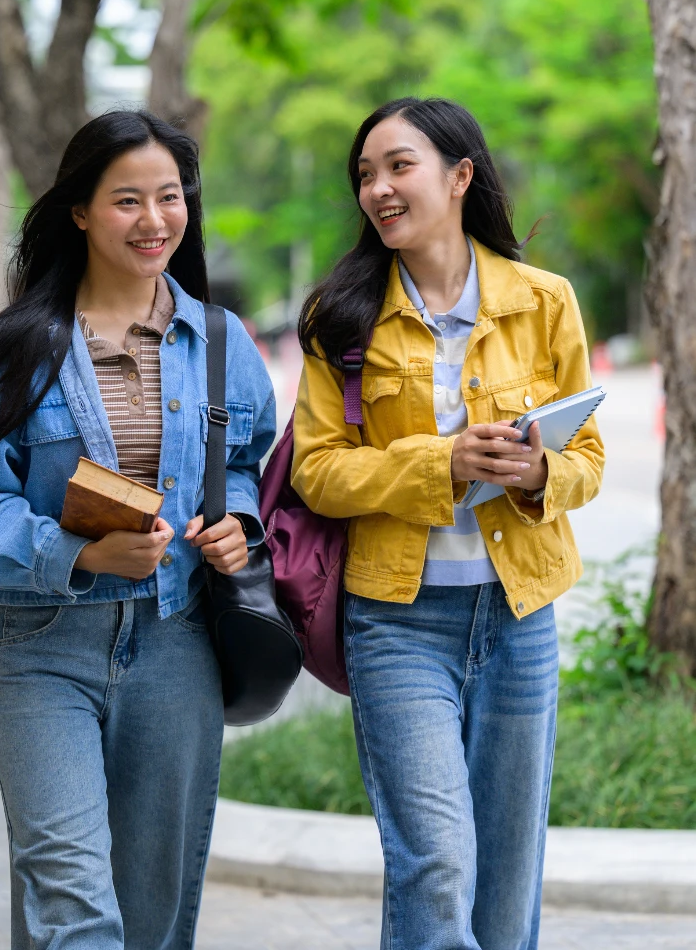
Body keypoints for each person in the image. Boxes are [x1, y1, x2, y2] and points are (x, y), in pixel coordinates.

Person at [0, 110, 276, 950]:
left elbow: (247, 467)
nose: (155, 220)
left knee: (150, 912)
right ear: (79, 210)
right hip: (42, 647)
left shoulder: (221, 343)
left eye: (170, 197)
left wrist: (239, 527)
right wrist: (78, 551)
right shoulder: (11, 350)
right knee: (72, 898)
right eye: (128, 200)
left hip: (178, 644)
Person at [292, 97, 604, 950]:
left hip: (519, 617)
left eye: (399, 166)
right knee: (435, 862)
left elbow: (591, 462)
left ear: (460, 176)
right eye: (365, 174)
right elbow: (316, 472)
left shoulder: (544, 303)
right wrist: (443, 462)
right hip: (396, 622)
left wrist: (541, 471)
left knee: (506, 875)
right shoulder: (341, 317)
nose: (379, 188)